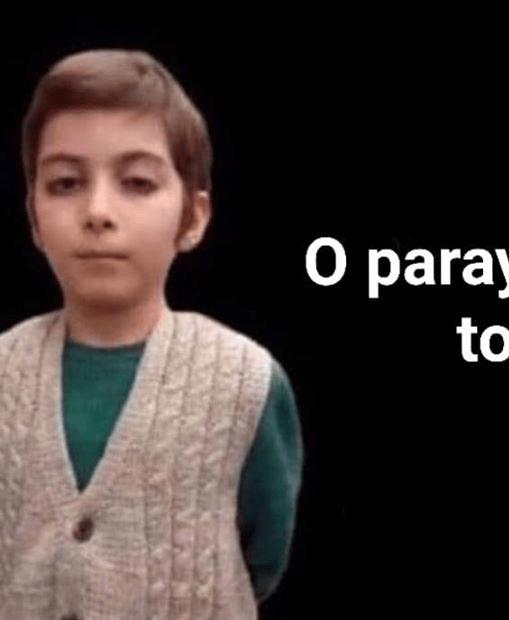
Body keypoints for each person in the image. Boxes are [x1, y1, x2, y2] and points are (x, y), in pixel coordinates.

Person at [0, 49, 303, 619]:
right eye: (65, 183)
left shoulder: (246, 382)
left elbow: (264, 554)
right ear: (34, 216)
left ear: (193, 217)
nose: (97, 211)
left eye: (137, 182)